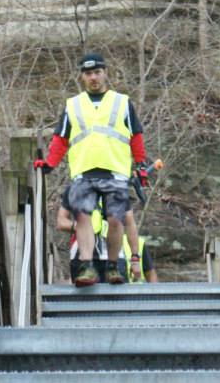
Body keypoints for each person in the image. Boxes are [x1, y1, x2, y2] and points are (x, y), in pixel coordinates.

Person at [35, 52, 150, 287]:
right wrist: (50, 163)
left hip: (115, 170)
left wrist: (140, 165)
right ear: (82, 76)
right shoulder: (73, 105)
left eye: (97, 72)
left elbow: (136, 135)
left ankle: (112, 266)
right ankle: (86, 266)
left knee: (116, 219)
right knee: (83, 217)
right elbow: (60, 139)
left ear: (105, 73)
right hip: (84, 170)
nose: (93, 77)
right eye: (88, 73)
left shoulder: (122, 102)